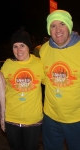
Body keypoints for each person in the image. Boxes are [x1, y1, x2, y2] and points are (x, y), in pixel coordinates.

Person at [39, 9, 80, 150]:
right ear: (49, 30)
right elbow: (41, 77)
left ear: (69, 26)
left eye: (62, 24)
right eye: (53, 25)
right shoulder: (44, 49)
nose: (58, 30)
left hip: (76, 119)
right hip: (50, 117)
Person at [1, 27, 45, 150]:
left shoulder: (39, 63)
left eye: (22, 45)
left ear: (28, 47)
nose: (19, 50)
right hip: (11, 118)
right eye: (15, 46)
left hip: (33, 120)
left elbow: (50, 82)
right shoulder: (8, 64)